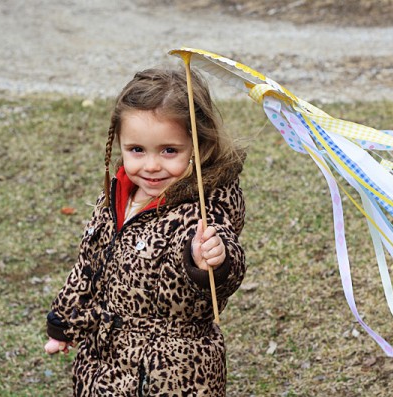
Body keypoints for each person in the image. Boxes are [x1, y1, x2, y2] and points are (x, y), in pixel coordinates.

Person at [44, 67, 246, 396]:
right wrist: (64, 324)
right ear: (119, 143)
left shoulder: (203, 211)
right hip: (104, 362)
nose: (151, 165)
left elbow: (224, 271)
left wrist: (211, 259)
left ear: (198, 146)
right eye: (137, 150)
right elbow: (87, 267)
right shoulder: (115, 198)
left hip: (174, 371)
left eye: (169, 150)